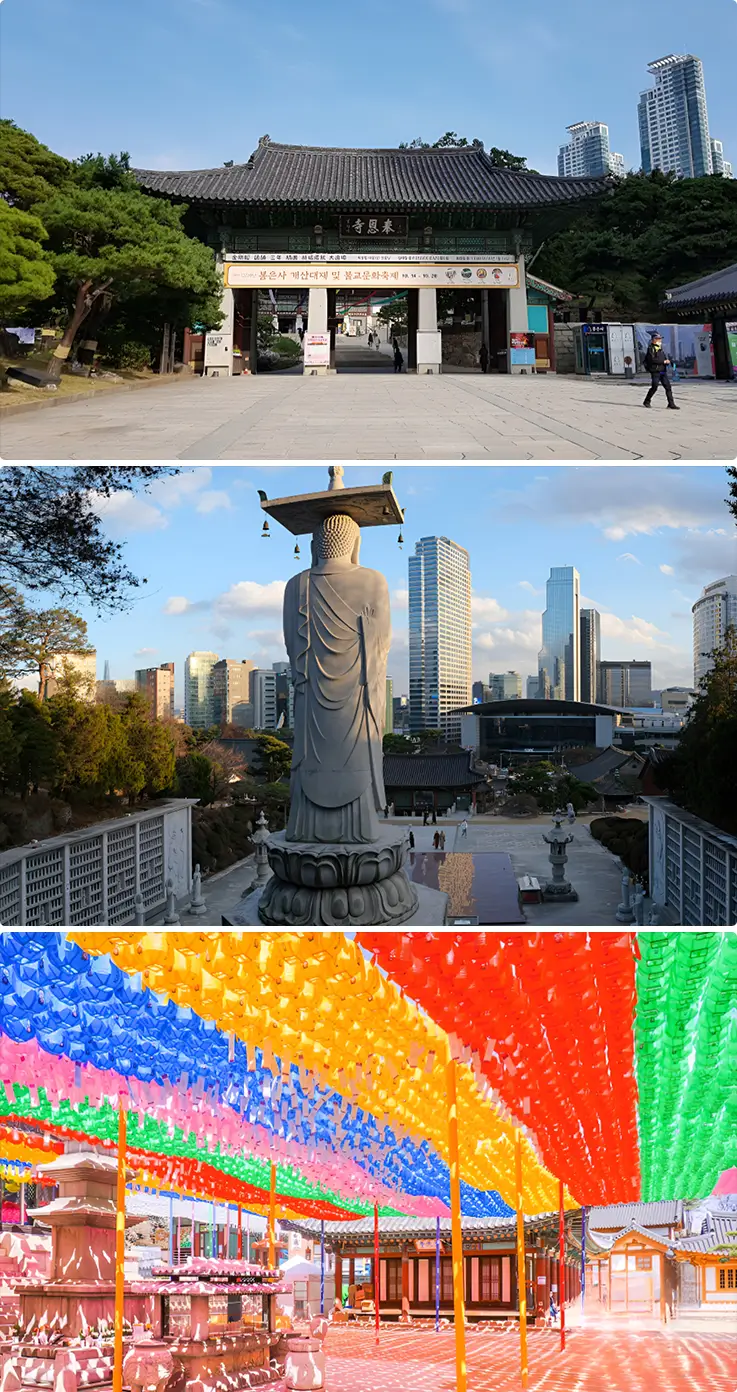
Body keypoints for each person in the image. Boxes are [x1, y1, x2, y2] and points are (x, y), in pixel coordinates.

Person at [643, 331, 679, 409]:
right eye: (658, 339)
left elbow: (664, 357)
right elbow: (652, 360)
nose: (660, 340)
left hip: (663, 370)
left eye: (660, 339)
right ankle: (647, 401)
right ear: (653, 340)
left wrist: (668, 361)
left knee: (668, 387)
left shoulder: (661, 349)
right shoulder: (651, 349)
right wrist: (663, 361)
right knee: (654, 386)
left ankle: (671, 404)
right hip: (655, 371)